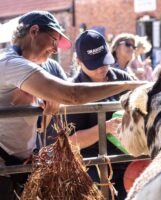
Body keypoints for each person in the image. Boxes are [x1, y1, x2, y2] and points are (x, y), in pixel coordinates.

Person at [0, 11, 144, 199]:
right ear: (34, 31)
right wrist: (130, 85)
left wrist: (54, 98)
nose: (54, 49)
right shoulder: (10, 63)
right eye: (53, 41)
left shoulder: (48, 67)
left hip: (24, 162)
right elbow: (73, 95)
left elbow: (47, 122)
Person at [67, 30, 133, 199]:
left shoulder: (123, 79)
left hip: (129, 161)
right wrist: (104, 128)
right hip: (93, 167)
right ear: (78, 61)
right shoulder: (72, 91)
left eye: (104, 62)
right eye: (94, 64)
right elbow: (71, 142)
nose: (101, 69)